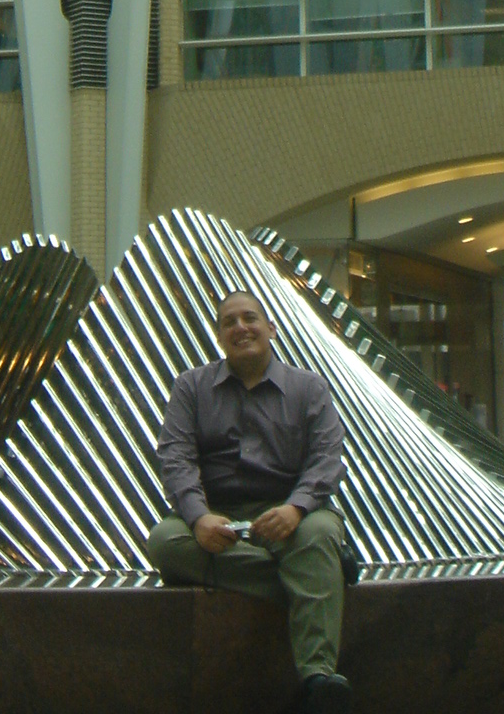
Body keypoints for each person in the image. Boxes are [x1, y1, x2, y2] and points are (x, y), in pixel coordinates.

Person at [147, 288, 352, 710]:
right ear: (220, 337)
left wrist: (296, 508)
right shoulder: (192, 387)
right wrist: (199, 517)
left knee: (317, 534)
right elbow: (176, 457)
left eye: (250, 318)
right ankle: (317, 577)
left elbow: (326, 459)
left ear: (271, 328)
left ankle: (318, 679)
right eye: (229, 322)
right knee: (166, 544)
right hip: (219, 518)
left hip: (291, 517)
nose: (240, 328)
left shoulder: (309, 388)